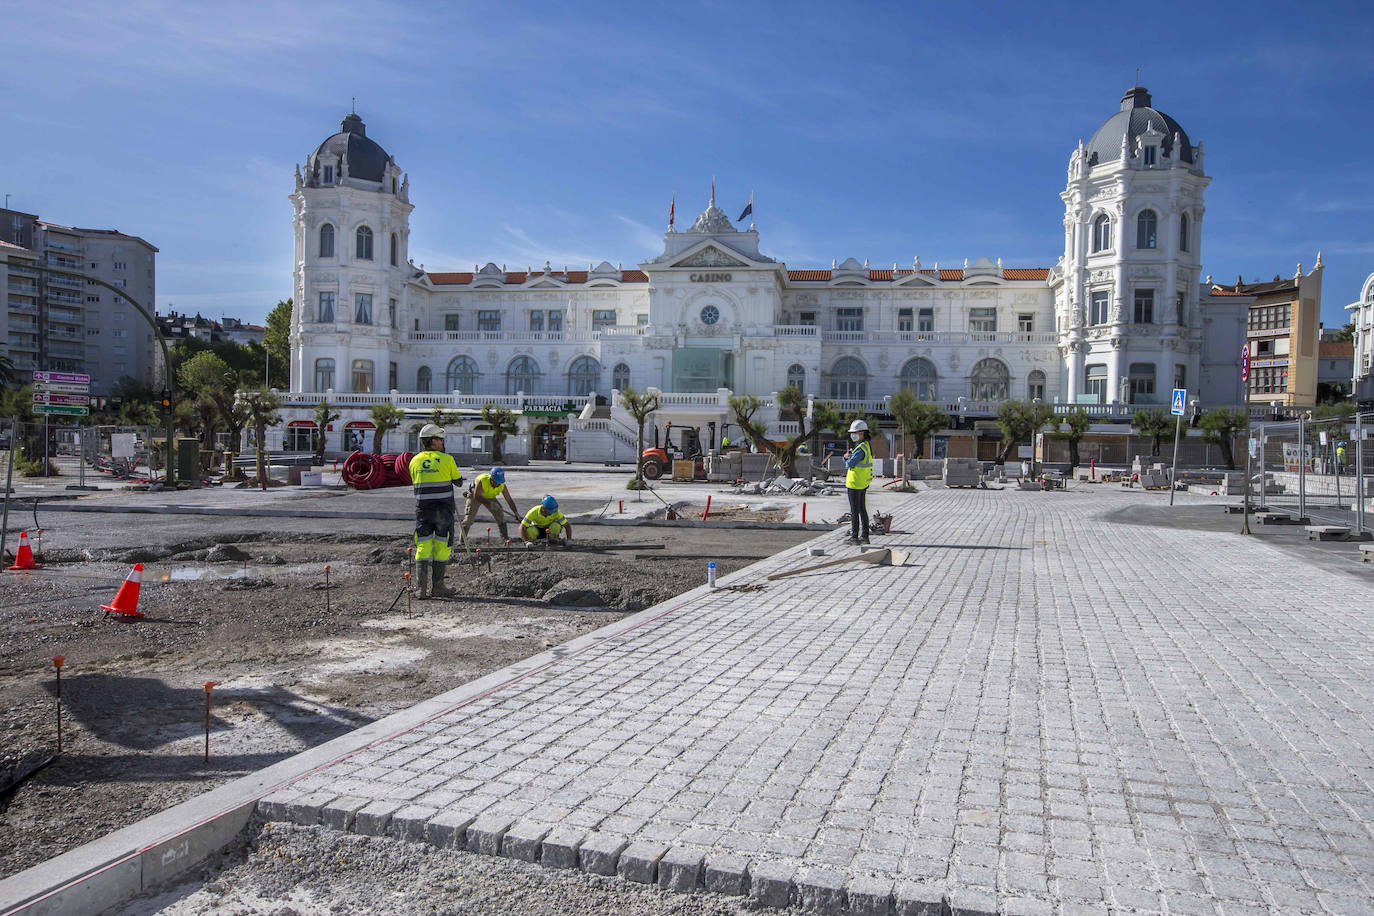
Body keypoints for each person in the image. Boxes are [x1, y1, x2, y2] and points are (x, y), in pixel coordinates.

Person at [407, 424, 464, 599]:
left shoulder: (414, 461)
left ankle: (420, 588)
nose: (443, 443)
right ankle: (438, 586)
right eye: (440, 439)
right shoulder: (447, 459)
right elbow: (459, 482)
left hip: (423, 510)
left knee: (423, 545)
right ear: (433, 440)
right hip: (443, 512)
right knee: (441, 546)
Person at [461, 466, 519, 544]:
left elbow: (509, 500)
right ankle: (462, 542)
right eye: (497, 482)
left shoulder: (502, 485)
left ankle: (504, 538)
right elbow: (476, 496)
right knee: (469, 519)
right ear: (491, 479)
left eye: (500, 482)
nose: (498, 484)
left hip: (489, 496)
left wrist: (516, 512)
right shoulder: (482, 480)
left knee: (499, 513)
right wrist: (490, 503)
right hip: (475, 495)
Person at [844, 419, 874, 545]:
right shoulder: (866, 446)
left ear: (861, 433)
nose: (852, 435)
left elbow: (850, 464)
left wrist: (845, 458)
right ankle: (865, 536)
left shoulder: (860, 448)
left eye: (854, 432)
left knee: (854, 510)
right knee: (862, 509)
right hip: (863, 483)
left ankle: (855, 537)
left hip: (855, 483)